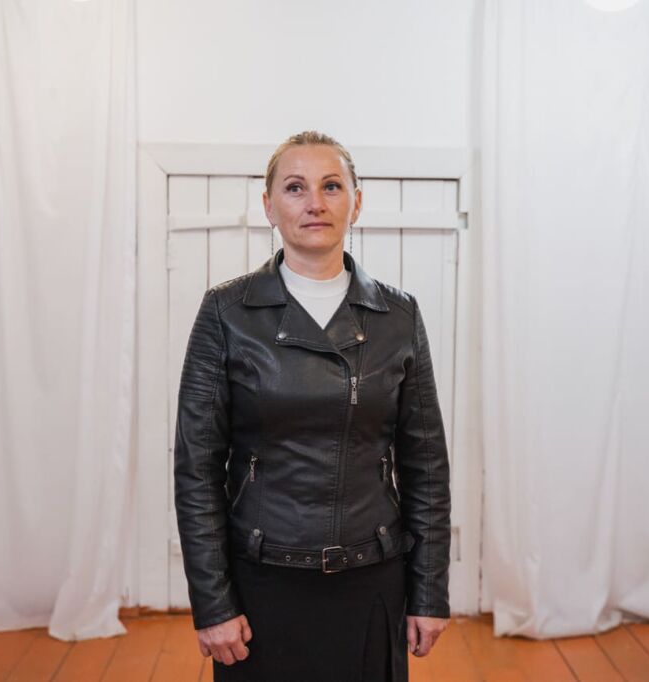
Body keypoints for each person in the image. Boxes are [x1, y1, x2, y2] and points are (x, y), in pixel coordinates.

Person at [173, 131, 451, 681]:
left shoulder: (398, 316)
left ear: (356, 201)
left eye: (331, 186)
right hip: (261, 581)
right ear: (269, 205)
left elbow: (426, 465)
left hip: (372, 577)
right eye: (295, 187)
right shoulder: (226, 312)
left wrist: (429, 590)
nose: (315, 203)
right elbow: (197, 469)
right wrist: (213, 604)